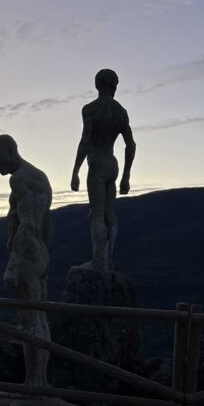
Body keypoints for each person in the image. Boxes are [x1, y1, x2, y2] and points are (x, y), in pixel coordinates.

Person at [0, 134, 52, 387]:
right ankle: (38, 381)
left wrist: (14, 262)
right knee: (40, 319)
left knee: (29, 322)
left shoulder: (20, 178)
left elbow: (28, 224)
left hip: (27, 254)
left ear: (8, 153)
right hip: (39, 253)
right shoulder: (39, 176)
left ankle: (33, 384)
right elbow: (46, 224)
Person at [70, 68, 136, 271]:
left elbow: (85, 141)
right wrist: (126, 176)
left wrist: (75, 171)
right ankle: (108, 259)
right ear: (114, 86)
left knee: (97, 213)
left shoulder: (90, 110)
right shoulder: (120, 112)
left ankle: (98, 262)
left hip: (97, 163)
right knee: (110, 213)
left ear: (97, 85)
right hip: (112, 164)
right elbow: (131, 145)